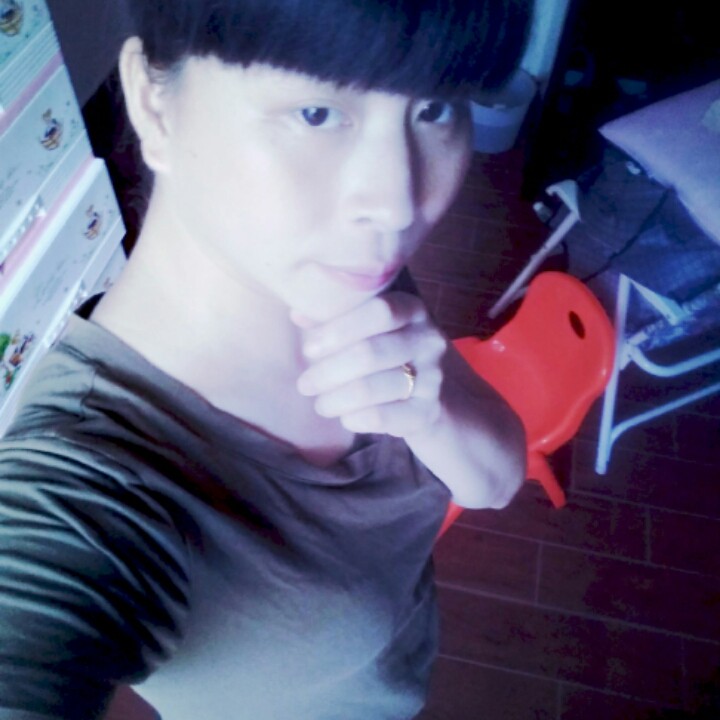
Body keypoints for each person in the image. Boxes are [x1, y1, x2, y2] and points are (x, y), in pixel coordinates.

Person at [0, 1, 531, 717]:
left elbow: (495, 482)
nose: (399, 202)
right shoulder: (84, 482)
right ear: (154, 102)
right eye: (317, 113)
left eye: (435, 108)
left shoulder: (343, 270)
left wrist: (430, 410)